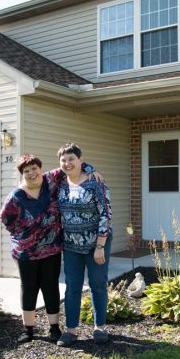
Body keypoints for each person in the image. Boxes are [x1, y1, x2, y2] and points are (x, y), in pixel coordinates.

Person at [0, 154, 98, 343]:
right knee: (29, 287)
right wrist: (21, 235)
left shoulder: (51, 180)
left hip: (52, 248)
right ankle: (28, 330)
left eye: (34, 168)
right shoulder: (16, 196)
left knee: (50, 286)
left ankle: (54, 328)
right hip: (26, 251)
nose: (31, 173)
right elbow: (5, 218)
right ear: (22, 174)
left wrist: (92, 171)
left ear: (40, 169)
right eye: (26, 171)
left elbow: (72, 165)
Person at [56, 143, 112, 346]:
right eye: (63, 160)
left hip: (96, 243)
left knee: (97, 284)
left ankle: (100, 328)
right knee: (72, 287)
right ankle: (71, 330)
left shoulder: (95, 182)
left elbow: (106, 214)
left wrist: (100, 246)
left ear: (81, 160)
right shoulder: (59, 183)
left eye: (72, 159)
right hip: (71, 245)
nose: (67, 163)